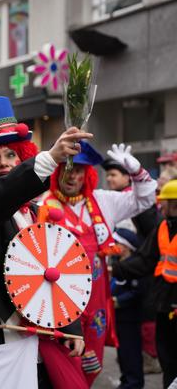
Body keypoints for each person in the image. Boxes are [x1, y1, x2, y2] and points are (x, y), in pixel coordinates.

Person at [0, 96, 91, 389]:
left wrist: (71, 327)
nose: (3, 163)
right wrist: (48, 159)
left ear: (22, 158)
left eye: (11, 155)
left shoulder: (36, 213)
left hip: (37, 347)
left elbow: (52, 276)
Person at [39, 143, 157, 386]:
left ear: (87, 174)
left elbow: (144, 199)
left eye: (78, 170)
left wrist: (135, 172)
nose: (72, 175)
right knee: (65, 368)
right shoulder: (42, 206)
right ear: (57, 171)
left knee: (92, 365)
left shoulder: (103, 201)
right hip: (60, 304)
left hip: (96, 307)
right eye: (67, 168)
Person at [112, 179, 177, 388]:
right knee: (168, 361)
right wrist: (116, 269)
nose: (160, 205)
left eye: (163, 201)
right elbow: (145, 260)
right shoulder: (163, 227)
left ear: (173, 203)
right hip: (164, 305)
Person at [102, 157, 163, 375]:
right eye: (107, 175)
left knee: (135, 338)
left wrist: (123, 267)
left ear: (128, 177)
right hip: (126, 272)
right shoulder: (114, 200)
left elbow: (150, 248)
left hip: (140, 279)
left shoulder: (138, 205)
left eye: (114, 174)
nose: (109, 179)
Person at [110, 228, 147, 389]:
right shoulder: (119, 263)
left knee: (131, 352)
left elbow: (138, 291)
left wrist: (117, 300)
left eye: (117, 243)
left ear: (126, 246)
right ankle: (126, 380)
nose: (114, 246)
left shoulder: (134, 266)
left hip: (130, 318)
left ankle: (134, 383)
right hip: (119, 317)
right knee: (122, 353)